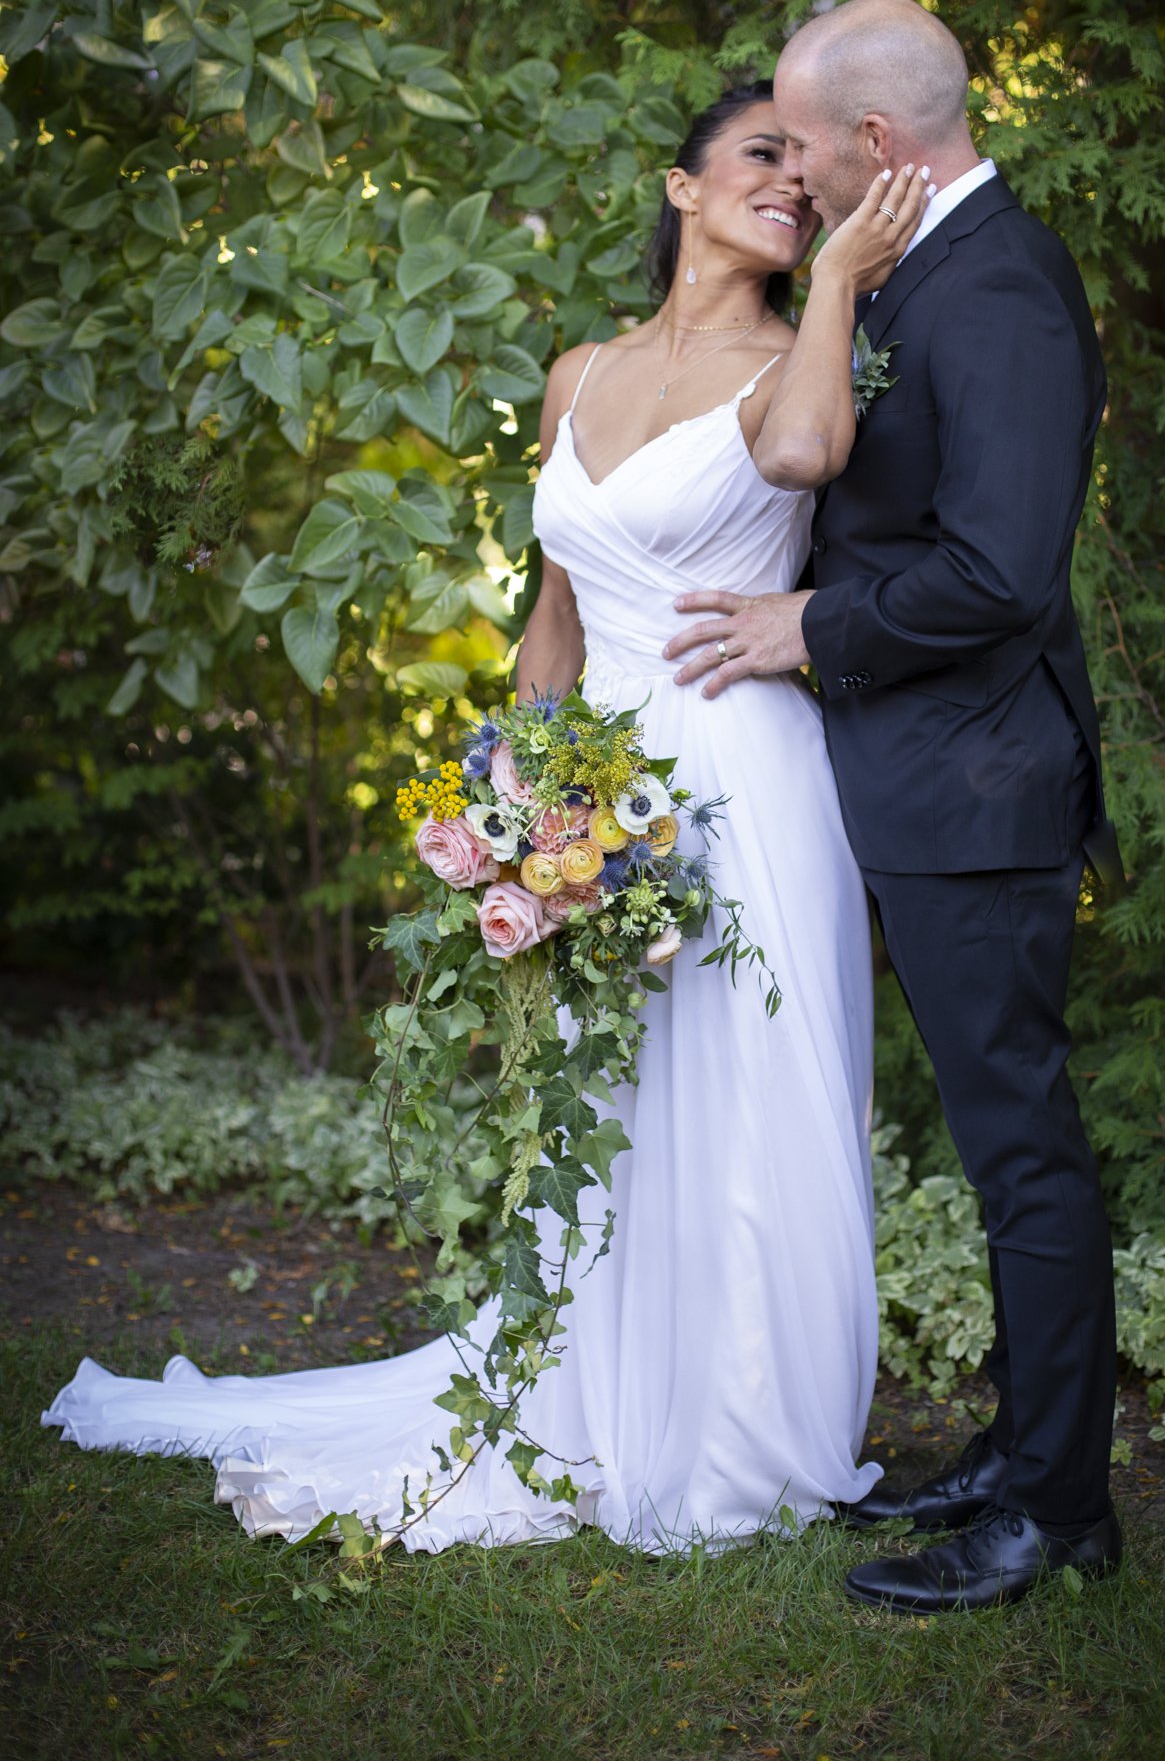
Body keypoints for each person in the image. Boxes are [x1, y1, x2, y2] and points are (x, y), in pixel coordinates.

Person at [41, 84, 930, 1558]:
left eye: (808, 167)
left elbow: (803, 463)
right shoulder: (579, 371)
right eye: (760, 156)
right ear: (680, 185)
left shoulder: (797, 355)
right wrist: (514, 793)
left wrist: (838, 279)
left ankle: (746, 1429)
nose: (792, 178)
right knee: (609, 1100)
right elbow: (554, 613)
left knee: (754, 1088)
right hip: (594, 775)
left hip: (742, 768)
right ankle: (594, 1396)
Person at [667, 0, 1123, 1612]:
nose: (788, 172)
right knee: (1007, 1144)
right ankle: (1022, 1455)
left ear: (877, 146)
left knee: (1023, 1153)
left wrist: (814, 628)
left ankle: (1057, 1511)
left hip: (977, 787)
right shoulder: (923, 270)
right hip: (924, 784)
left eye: (799, 142)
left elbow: (1001, 571)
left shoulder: (991, 287)